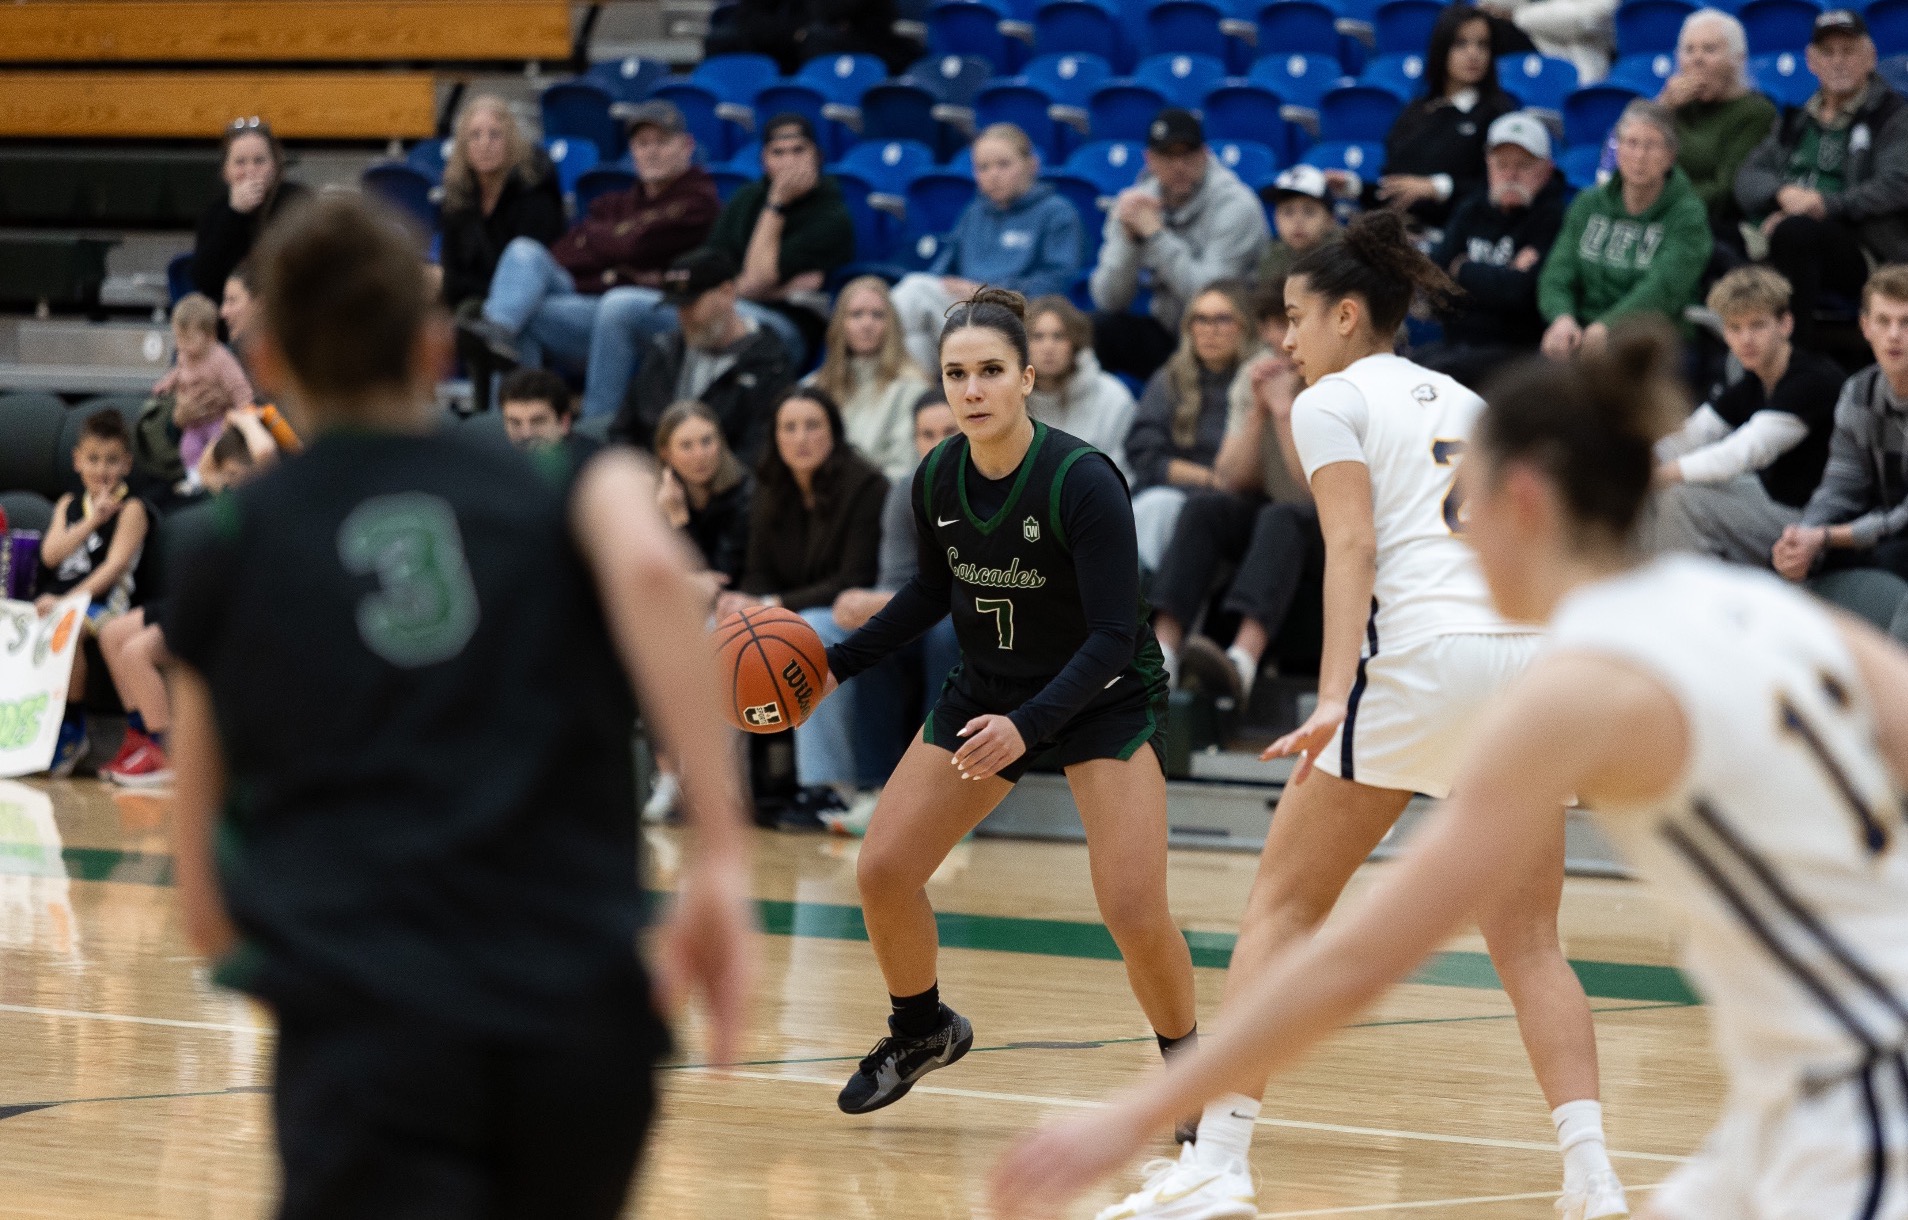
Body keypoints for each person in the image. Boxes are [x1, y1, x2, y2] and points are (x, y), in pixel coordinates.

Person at [993, 323, 1908, 1220]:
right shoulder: (1764, 609)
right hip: (1791, 1092)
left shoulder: (1575, 690)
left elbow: (1365, 956)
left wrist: (1133, 1116)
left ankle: (1216, 1166)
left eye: (1462, 509)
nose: (1458, 542)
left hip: (1858, 1091)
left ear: (1524, 501)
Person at [164, 193, 755, 1220]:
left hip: (370, 1033)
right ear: (435, 346)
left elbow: (207, 905)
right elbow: (658, 575)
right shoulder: (565, 480)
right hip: (578, 1029)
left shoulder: (224, 542)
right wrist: (722, 854)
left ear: (267, 360)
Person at [1075, 212, 1626, 1220]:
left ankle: (1220, 1160)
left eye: (1295, 316)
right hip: (1523, 659)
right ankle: (1593, 1179)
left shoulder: (1329, 398)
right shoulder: (1468, 399)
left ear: (1345, 315)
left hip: (1423, 661)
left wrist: (1334, 694)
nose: (1285, 338)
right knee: (1531, 945)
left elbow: (1353, 545)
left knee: (1283, 908)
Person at [815, 287, 1199, 1127]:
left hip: (1102, 697)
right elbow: (930, 592)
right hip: (990, 687)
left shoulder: (1083, 481)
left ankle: (1189, 1074)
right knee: (883, 870)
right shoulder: (936, 476)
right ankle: (922, 1029)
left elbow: (1112, 636)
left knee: (1133, 909)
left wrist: (1028, 727)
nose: (972, 389)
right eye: (956, 374)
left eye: (990, 371)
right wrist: (835, 666)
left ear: (1027, 378)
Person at [459, 100, 720, 420]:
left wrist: (597, 242)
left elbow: (635, 248)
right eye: (642, 144)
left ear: (686, 146)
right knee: (524, 255)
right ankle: (507, 406)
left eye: (661, 143)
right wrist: (616, 249)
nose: (651, 152)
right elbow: (563, 254)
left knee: (616, 305)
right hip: (588, 303)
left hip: (658, 315)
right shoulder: (618, 203)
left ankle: (595, 428)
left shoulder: (698, 199)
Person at [715, 387, 888, 814]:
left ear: (834, 432)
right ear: (775, 436)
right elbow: (757, 569)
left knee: (813, 630)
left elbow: (854, 577)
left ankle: (828, 786)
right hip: (787, 610)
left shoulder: (866, 484)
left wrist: (770, 603)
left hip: (849, 611)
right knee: (715, 634)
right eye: (789, 428)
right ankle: (717, 789)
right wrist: (746, 601)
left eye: (812, 426)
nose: (801, 438)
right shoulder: (769, 485)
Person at [1152, 276, 1322, 707]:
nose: (1281, 339)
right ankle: (1161, 656)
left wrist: (1283, 412)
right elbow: (1231, 478)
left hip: (1333, 523)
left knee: (1282, 516)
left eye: (1291, 323)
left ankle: (1241, 663)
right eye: (1272, 325)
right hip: (1275, 513)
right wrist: (1258, 411)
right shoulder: (1256, 374)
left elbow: (1316, 492)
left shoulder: (1333, 379)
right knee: (1207, 509)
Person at [97, 425, 271, 789]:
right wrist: (229, 431)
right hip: (198, 598)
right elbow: (207, 467)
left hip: (231, 609)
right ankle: (139, 737)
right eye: (228, 475)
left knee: (135, 652)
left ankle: (166, 751)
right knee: (111, 633)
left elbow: (266, 456)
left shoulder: (266, 503)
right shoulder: (221, 490)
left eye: (239, 475)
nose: (231, 483)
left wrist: (248, 420)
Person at [824, 392, 966, 831]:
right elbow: (898, 583)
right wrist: (873, 605)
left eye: (949, 432)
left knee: (946, 635)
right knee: (878, 636)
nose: (937, 443)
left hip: (1003, 618)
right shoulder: (907, 491)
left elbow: (993, 585)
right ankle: (876, 789)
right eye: (927, 434)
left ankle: (945, 793)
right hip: (938, 611)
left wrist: (881, 602)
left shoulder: (1000, 486)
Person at [1648, 265, 1844, 565]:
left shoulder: (1813, 381)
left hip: (1815, 526)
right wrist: (1638, 463)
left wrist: (1659, 474)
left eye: (1757, 326)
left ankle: (1685, 588)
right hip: (1773, 502)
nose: (1746, 339)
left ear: (1785, 324)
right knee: (1648, 491)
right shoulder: (1752, 383)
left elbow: (1742, 453)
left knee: (1681, 498)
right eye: (1735, 328)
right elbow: (1693, 434)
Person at [1736, 10, 1908, 352]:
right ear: (1811, 61)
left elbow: (1897, 185)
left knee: (1797, 232)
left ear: (1871, 57)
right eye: (1828, 53)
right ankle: (1731, 346)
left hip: (1862, 249)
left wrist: (1822, 205)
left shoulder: (1893, 116)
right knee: (1709, 233)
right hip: (1786, 227)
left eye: (1848, 51)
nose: (1838, 62)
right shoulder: (1797, 119)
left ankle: (1792, 357)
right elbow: (1747, 177)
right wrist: (1783, 194)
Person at [1090, 109, 1270, 382]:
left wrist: (1155, 236)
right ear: (1150, 160)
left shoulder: (1236, 205)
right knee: (1097, 330)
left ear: (1205, 155)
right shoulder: (1137, 204)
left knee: (1213, 322)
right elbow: (1108, 300)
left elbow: (1210, 295)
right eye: (1167, 156)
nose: (1178, 166)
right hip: (1169, 332)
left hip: (1230, 335)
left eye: (1188, 155)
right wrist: (1130, 241)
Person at [890, 124, 1085, 373]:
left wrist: (988, 292)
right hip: (967, 313)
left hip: (1021, 317)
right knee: (916, 339)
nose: (993, 175)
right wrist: (962, 291)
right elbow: (941, 274)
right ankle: (918, 395)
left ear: (1031, 165)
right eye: (983, 167)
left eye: (1003, 165)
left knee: (915, 289)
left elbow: (1056, 284)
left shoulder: (1057, 213)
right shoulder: (974, 213)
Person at [1540, 100, 1712, 361]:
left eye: (1651, 145)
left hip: (1653, 341)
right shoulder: (1588, 204)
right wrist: (1562, 317)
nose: (1640, 156)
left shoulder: (1687, 214)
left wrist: (1607, 327)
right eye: (1631, 143)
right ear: (1617, 149)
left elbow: (1664, 289)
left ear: (1671, 156)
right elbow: (1557, 272)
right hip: (1583, 332)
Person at [1774, 265, 1908, 596]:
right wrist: (1803, 538)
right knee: (1795, 562)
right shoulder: (1858, 392)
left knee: (1888, 558)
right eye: (1884, 321)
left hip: (1895, 535)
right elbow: (1840, 486)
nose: (1894, 335)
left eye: (1906, 322)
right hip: (1880, 531)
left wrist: (1826, 537)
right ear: (1865, 326)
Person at [35, 410, 151, 777]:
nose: (102, 469)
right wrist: (91, 521)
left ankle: (72, 728)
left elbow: (112, 569)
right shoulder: (69, 505)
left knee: (66, 630)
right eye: (94, 459)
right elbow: (50, 555)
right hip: (60, 599)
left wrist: (65, 603)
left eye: (112, 460)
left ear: (127, 464)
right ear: (77, 461)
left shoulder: (132, 509)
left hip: (105, 604)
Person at [1419, 111, 1569, 388]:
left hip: (1518, 352)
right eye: (1502, 164)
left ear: (1546, 170)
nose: (1511, 175)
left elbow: (1522, 294)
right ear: (1488, 165)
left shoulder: (1554, 218)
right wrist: (1503, 276)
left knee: (1436, 376)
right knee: (1404, 367)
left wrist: (1463, 269)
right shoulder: (1470, 209)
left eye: (1523, 165)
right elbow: (1434, 281)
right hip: (1456, 341)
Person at [1125, 282, 1260, 575]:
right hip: (1172, 493)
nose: (1210, 330)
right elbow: (1144, 452)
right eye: (1200, 319)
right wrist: (1209, 478)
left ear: (1245, 326)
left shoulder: (1259, 382)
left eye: (1222, 319)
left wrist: (1223, 483)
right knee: (1157, 507)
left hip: (1236, 504)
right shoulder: (1170, 379)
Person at [703, 113, 857, 366]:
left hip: (787, 327)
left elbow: (757, 280)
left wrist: (777, 204)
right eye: (778, 153)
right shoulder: (745, 199)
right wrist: (776, 290)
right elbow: (708, 271)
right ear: (764, 160)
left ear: (817, 157)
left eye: (798, 151)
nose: (789, 162)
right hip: (728, 311)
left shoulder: (831, 215)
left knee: (712, 322)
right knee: (634, 310)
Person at [612, 248, 795, 462]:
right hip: (648, 474)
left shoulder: (769, 365)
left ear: (727, 292)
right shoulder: (665, 349)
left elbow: (758, 454)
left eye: (691, 304)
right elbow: (622, 431)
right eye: (678, 306)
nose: (683, 316)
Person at [1358, 5, 1520, 231]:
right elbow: (1394, 187)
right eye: (1461, 43)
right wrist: (1354, 188)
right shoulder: (1415, 109)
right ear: (1441, 48)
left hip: (1459, 236)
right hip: (1401, 232)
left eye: (1483, 44)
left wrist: (1438, 187)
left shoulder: (1498, 114)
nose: (1473, 53)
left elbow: (1500, 189)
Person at [435, 94, 566, 314]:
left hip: (539, 303)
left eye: (495, 135)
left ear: (511, 142)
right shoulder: (458, 197)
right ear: (463, 147)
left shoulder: (534, 189)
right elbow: (453, 276)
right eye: (475, 136)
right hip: (477, 300)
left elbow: (527, 274)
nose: (484, 144)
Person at [1658, 9, 1776, 248]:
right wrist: (1663, 107)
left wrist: (1658, 204)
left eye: (1709, 49)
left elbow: (1726, 191)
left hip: (1719, 227)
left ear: (1738, 59)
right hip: (1664, 214)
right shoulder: (1672, 105)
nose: (1697, 59)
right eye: (1689, 50)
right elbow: (1622, 153)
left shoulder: (1756, 112)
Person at [808, 276, 932, 480]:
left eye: (877, 315)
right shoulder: (814, 388)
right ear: (840, 323)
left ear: (891, 324)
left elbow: (903, 470)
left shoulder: (912, 388)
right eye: (856, 314)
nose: (867, 324)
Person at [191, 118, 308, 303]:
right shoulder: (216, 212)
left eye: (259, 161)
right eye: (240, 162)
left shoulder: (297, 201)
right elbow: (204, 280)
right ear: (226, 171)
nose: (250, 170)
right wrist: (235, 214)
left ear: (275, 166)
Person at [1024, 295, 1136, 476]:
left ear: (1076, 343)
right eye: (1038, 337)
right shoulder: (1008, 401)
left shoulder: (1112, 397)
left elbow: (1124, 474)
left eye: (1059, 336)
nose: (1048, 347)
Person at [154, 292, 255, 483]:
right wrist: (167, 384)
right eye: (178, 338)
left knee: (219, 447)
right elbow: (178, 372)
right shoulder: (184, 355)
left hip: (218, 418)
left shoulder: (221, 359)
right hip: (194, 423)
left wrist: (245, 408)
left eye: (189, 339)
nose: (182, 345)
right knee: (188, 448)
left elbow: (238, 387)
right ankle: (195, 478)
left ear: (210, 336)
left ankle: (218, 477)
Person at [1482, 0, 1617, 83]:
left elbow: (1588, 16)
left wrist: (1518, 16)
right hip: (1531, 47)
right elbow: (1491, 4)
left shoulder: (1520, 16)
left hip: (1581, 60)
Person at [1255, 164, 1344, 286]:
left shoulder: (1344, 256)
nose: (1297, 221)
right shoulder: (1272, 256)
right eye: (1288, 212)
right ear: (1275, 219)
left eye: (1309, 211)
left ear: (1330, 220)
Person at [497, 367, 600, 465]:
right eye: (515, 423)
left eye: (538, 422)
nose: (526, 434)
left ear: (564, 423)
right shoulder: (497, 461)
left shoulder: (596, 466)